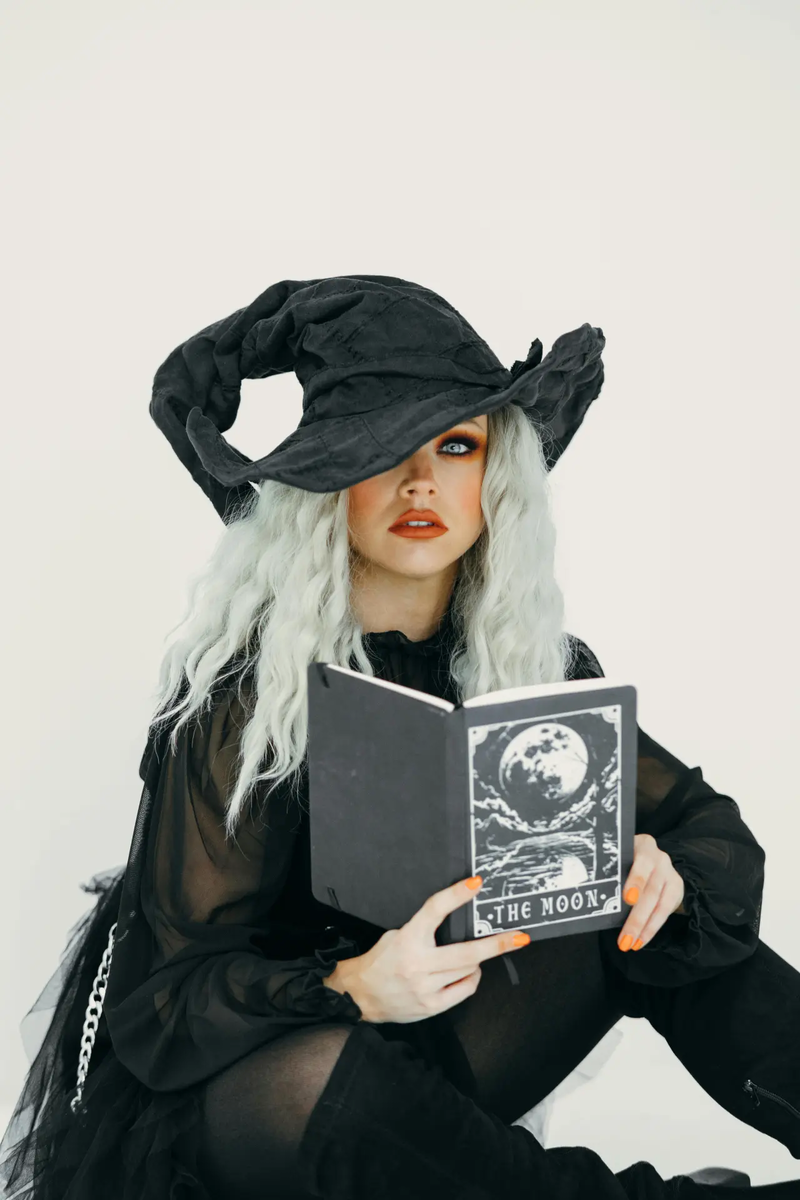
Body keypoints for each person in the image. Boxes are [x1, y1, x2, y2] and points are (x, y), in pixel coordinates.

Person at [2, 276, 799, 1200]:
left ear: (495, 477)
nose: (422, 482)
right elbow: (169, 1007)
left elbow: (708, 826)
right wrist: (354, 985)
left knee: (647, 908)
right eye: (381, 450)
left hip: (443, 1049)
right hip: (267, 1090)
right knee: (324, 1081)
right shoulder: (242, 693)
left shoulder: (536, 667)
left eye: (456, 446)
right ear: (327, 483)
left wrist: (668, 873)